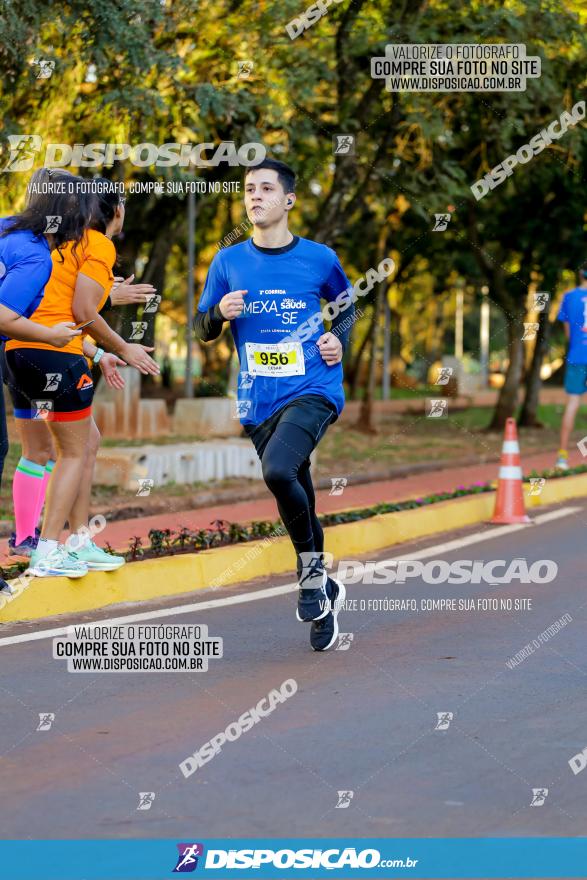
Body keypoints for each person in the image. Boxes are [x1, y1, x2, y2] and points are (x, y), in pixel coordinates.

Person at [194, 158, 355, 651]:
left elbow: (348, 307)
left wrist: (337, 339)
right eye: (248, 189)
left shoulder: (319, 258)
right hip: (259, 399)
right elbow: (200, 328)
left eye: (266, 188)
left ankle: (309, 583)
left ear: (288, 200)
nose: (255, 196)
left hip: (313, 388)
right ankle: (321, 586)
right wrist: (218, 313)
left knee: (279, 472)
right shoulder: (228, 262)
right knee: (295, 484)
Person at [5, 180, 160, 578]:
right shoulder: (97, 243)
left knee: (76, 444)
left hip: (16, 353)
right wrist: (123, 348)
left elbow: (58, 307)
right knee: (72, 451)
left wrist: (99, 351)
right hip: (56, 355)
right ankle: (49, 548)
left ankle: (71, 540)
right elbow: (82, 309)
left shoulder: (56, 242)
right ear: (117, 211)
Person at [0, 168, 95, 590]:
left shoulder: (7, 229)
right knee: (67, 449)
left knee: (30, 450)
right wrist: (51, 335)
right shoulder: (38, 256)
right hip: (44, 357)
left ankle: (26, 538)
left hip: (15, 361)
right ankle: (48, 547)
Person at [555, 262, 587, 470]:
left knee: (572, 404)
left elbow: (568, 334)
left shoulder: (568, 296)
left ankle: (562, 458)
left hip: (577, 356)